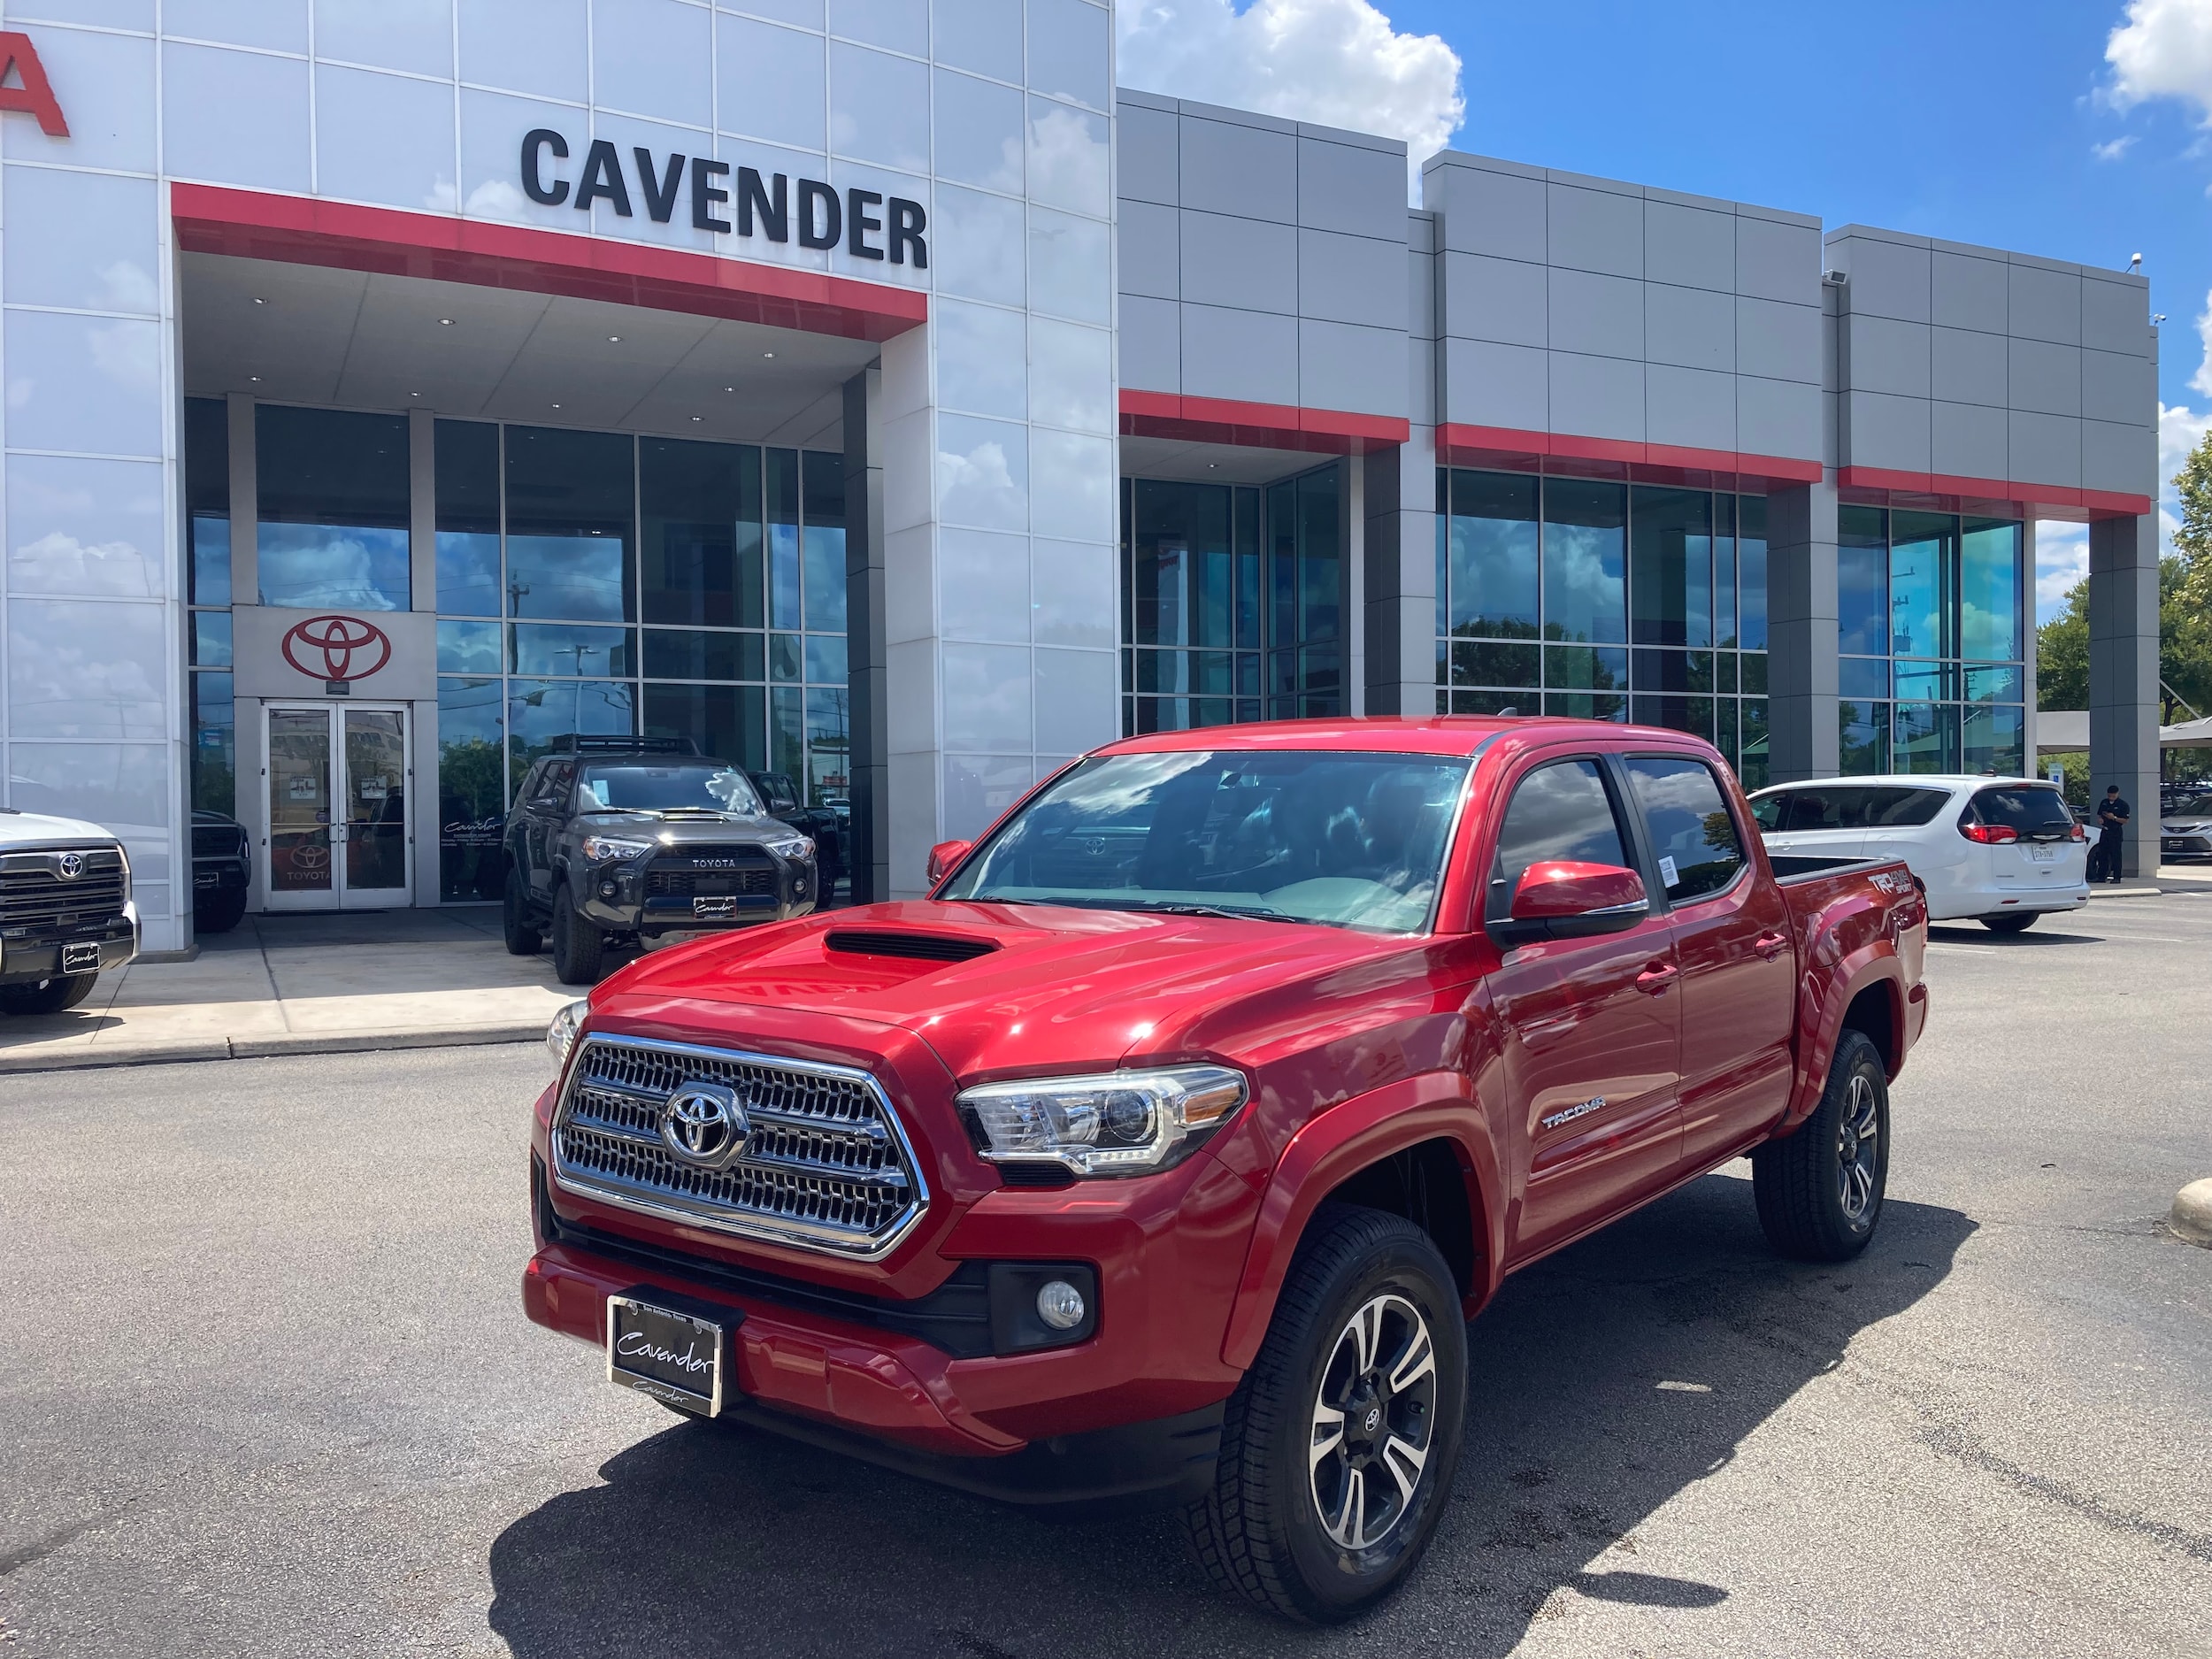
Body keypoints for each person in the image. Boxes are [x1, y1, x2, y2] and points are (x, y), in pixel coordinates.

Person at [2090, 784, 2130, 883]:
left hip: (2115, 831)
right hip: (2105, 830)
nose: (2111, 798)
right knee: (2102, 854)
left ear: (2117, 794)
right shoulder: (2104, 803)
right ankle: (2101, 876)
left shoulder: (2123, 805)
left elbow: (2125, 820)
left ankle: (2117, 877)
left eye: (2113, 796)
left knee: (2115, 855)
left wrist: (2114, 818)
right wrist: (2100, 819)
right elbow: (2100, 815)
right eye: (2109, 796)